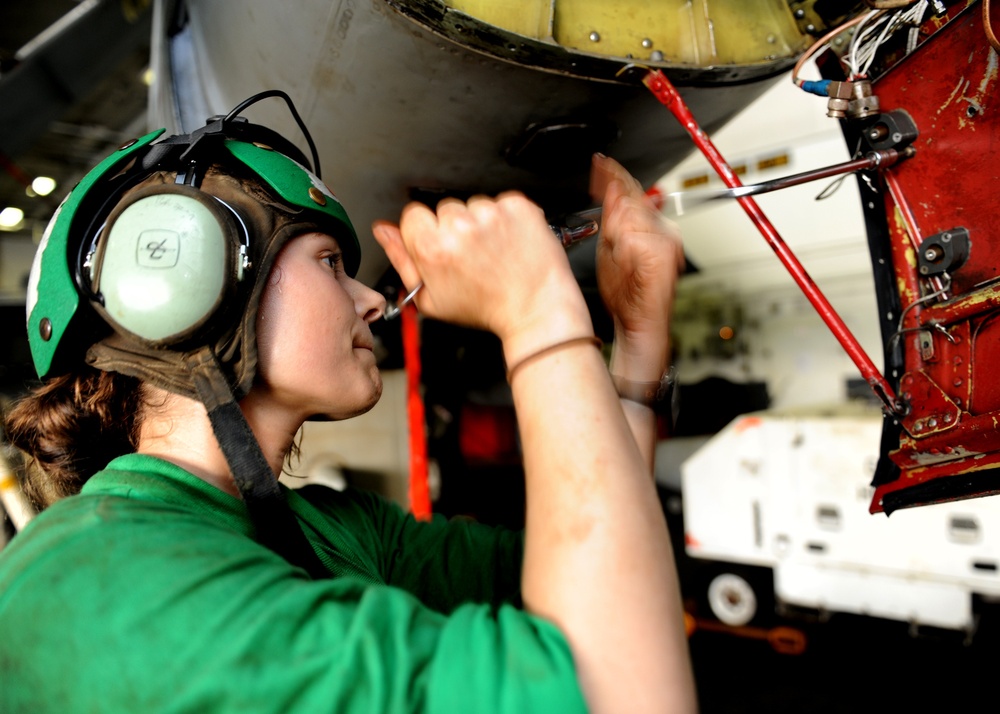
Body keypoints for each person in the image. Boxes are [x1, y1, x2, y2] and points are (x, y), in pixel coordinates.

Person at [0, 92, 695, 713]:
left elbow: (608, 584)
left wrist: (636, 347)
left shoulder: (336, 532)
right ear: (183, 283)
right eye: (332, 263)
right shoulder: (102, 581)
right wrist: (539, 316)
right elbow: (618, 690)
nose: (372, 299)